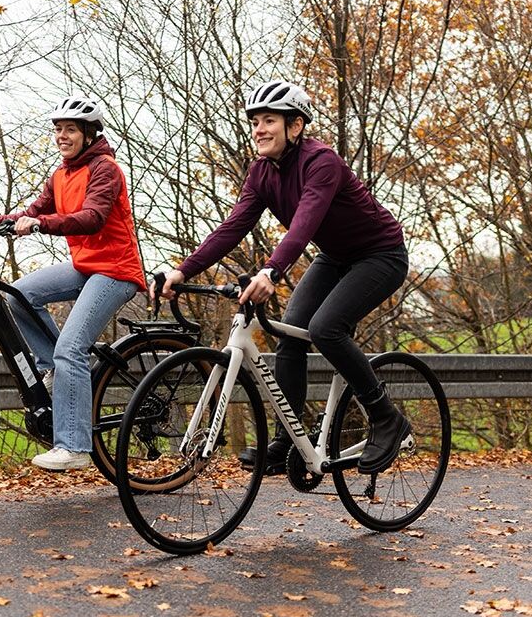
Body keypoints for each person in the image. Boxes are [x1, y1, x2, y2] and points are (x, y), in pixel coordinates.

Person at [154, 80, 410, 474]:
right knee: (289, 331)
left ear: (295, 126)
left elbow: (303, 224)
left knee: (326, 328)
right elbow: (232, 227)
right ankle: (289, 439)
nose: (259, 129)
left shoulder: (320, 161)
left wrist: (272, 270)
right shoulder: (261, 173)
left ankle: (386, 417)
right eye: (255, 121)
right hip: (336, 257)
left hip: (381, 255)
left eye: (269, 120)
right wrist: (183, 269)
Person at [0, 95, 146, 471]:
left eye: (70, 129)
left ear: (88, 134)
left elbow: (92, 218)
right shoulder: (60, 175)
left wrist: (42, 224)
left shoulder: (106, 169)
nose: (62, 136)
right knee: (20, 294)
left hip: (117, 270)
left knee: (73, 348)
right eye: (58, 129)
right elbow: (33, 212)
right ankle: (54, 367)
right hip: (85, 265)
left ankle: (74, 446)